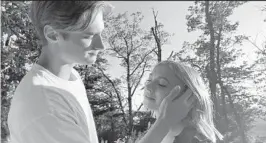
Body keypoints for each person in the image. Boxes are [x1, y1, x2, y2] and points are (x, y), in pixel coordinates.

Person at [8, 1, 195, 143]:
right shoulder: (45, 109)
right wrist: (165, 122)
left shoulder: (69, 77)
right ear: (53, 34)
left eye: (100, 33)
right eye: (88, 36)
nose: (101, 45)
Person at [142, 60, 224, 143]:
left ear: (188, 96)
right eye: (149, 80)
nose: (148, 86)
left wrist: (165, 121)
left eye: (162, 84)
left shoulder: (195, 140)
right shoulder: (161, 134)